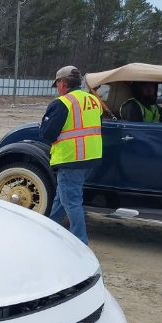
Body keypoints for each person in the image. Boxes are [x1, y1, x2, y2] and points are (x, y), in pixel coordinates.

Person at [39, 66, 102, 245]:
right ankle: (49, 230)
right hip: (90, 157)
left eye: (57, 83)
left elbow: (47, 134)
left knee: (72, 202)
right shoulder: (93, 100)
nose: (57, 88)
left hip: (70, 158)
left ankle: (81, 242)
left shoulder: (63, 103)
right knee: (62, 198)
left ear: (63, 83)